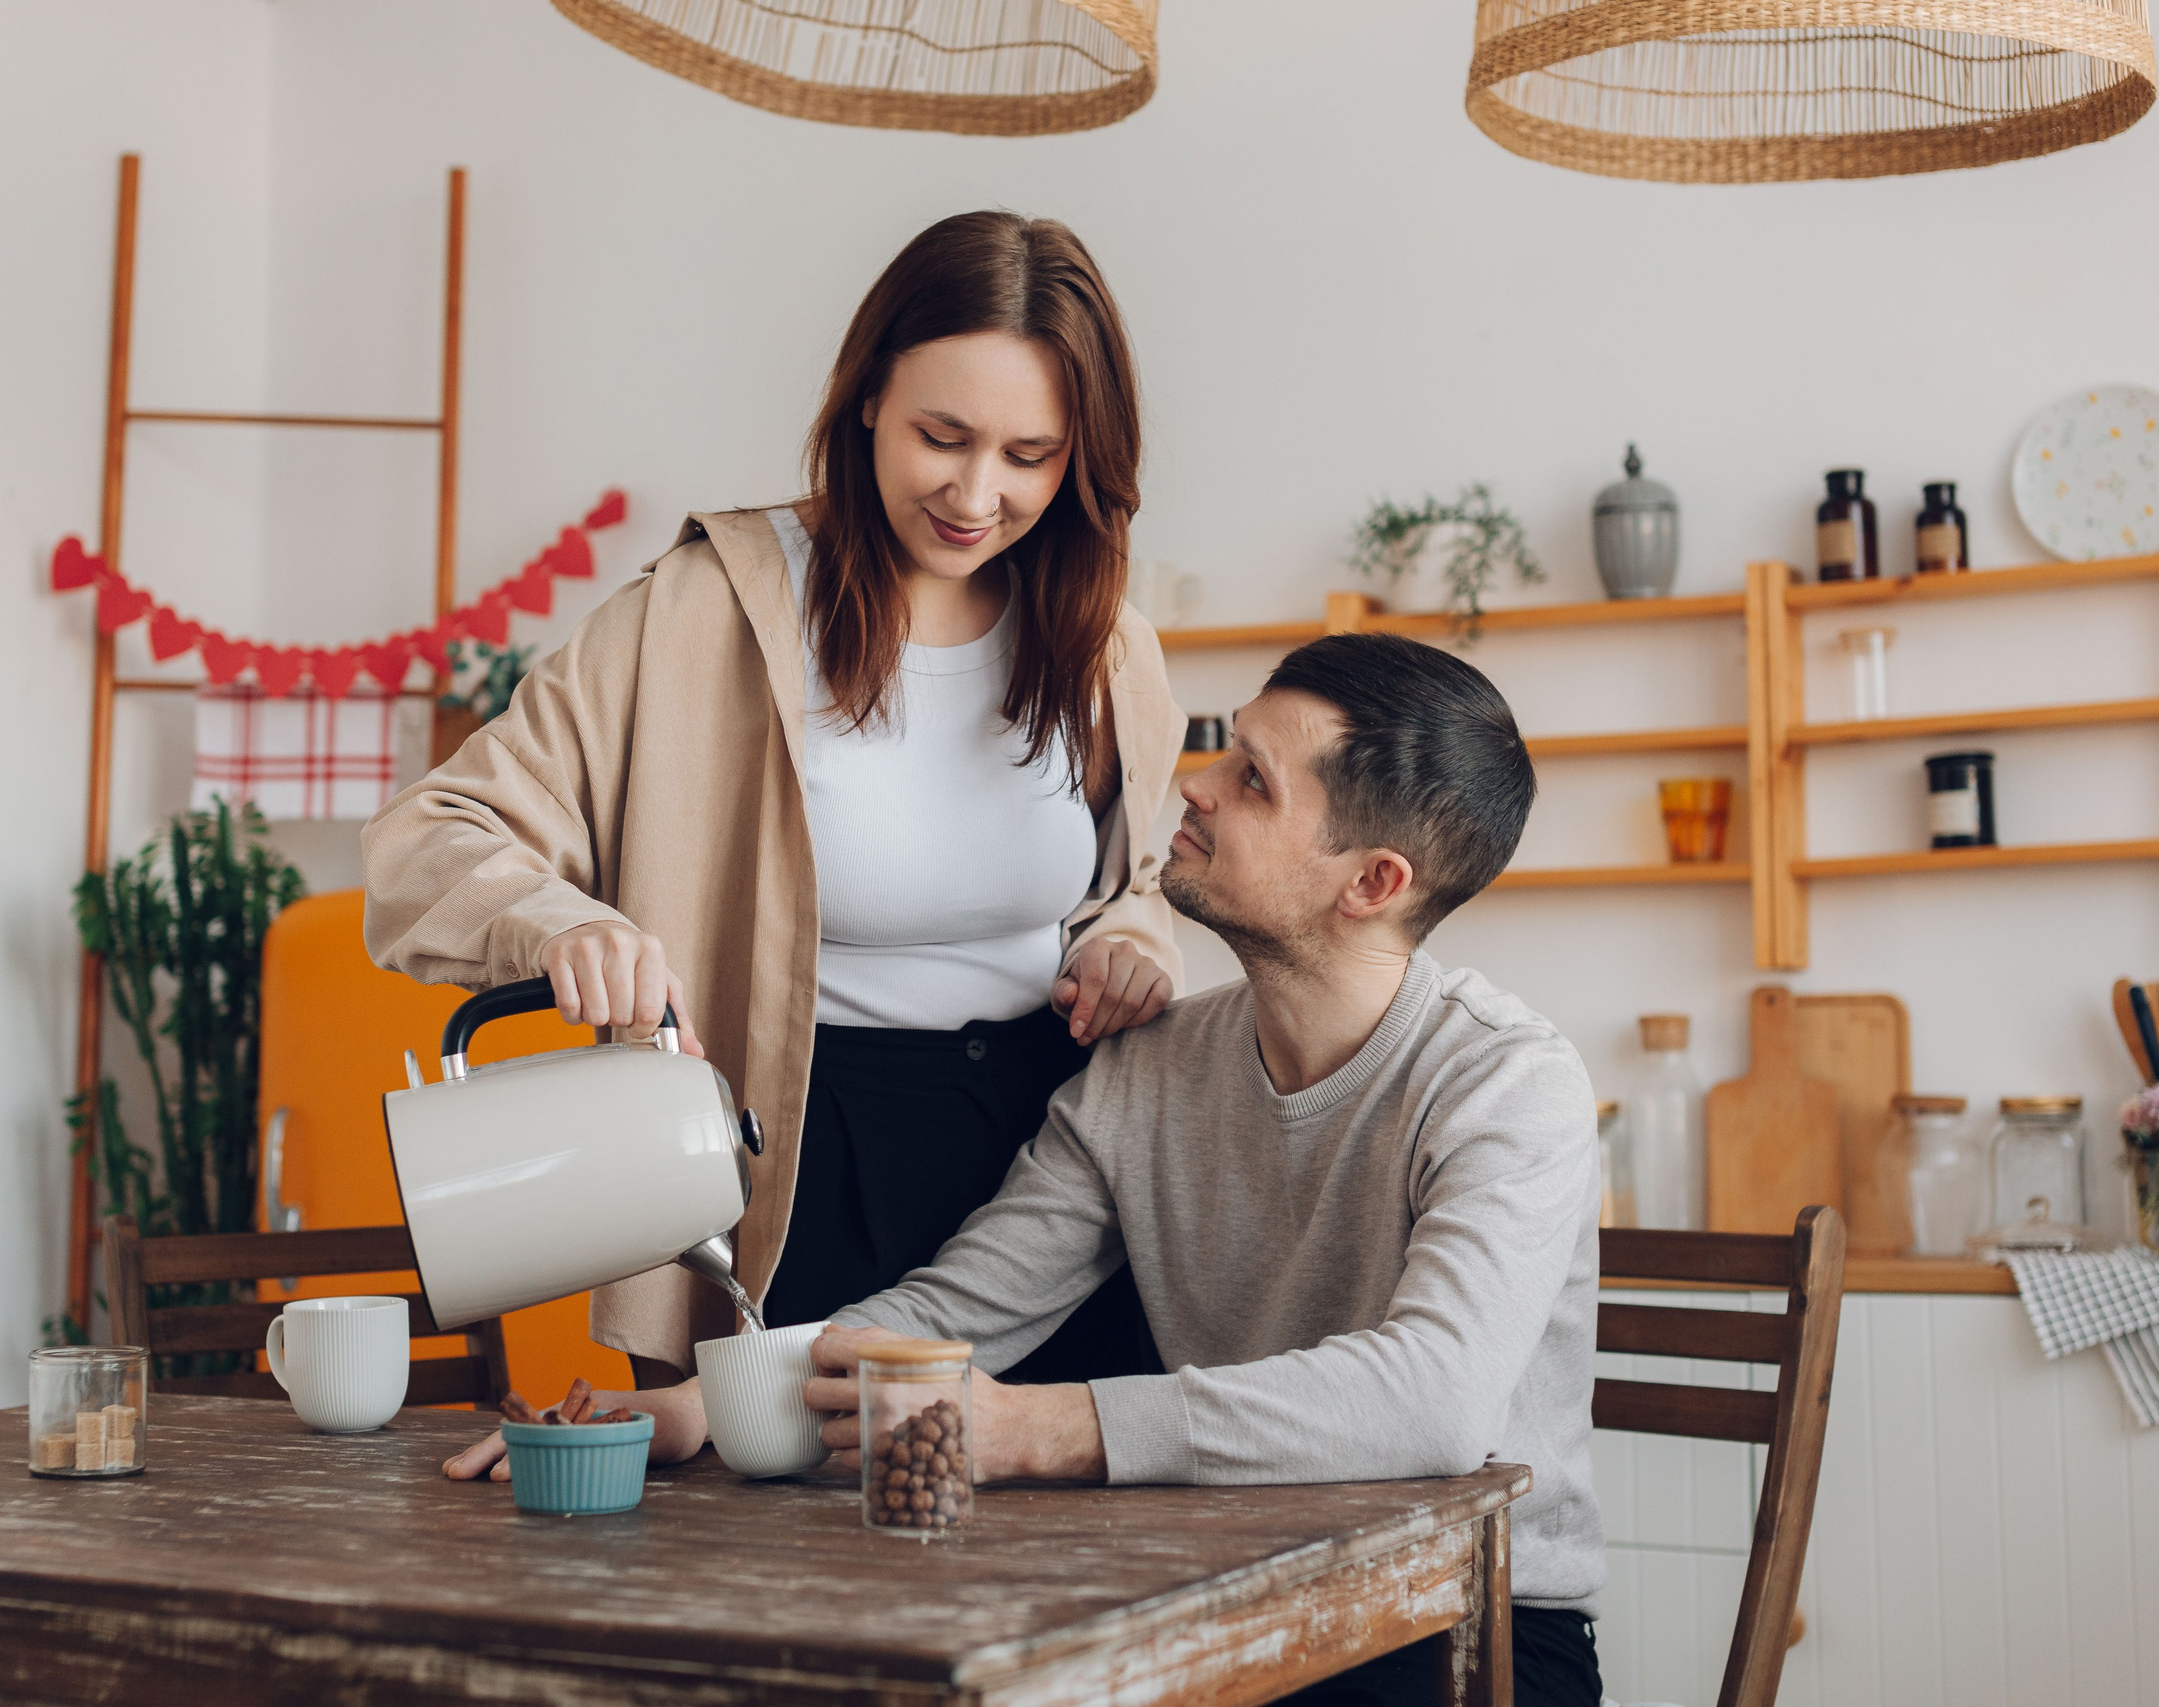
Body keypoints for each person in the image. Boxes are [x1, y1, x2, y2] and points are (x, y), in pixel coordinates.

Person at [364, 211, 1185, 1448]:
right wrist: (559, 921)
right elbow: (429, 837)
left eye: (1030, 455)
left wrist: (1137, 936)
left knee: (1062, 1566)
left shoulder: (1097, 632)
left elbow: (1152, 872)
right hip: (796, 1160)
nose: (977, 495)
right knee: (793, 1563)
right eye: (941, 437)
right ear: (865, 400)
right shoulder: (710, 606)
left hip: (1055, 1164)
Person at [804, 632, 1606, 1706]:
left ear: (1371, 881)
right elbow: (959, 1309)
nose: (1197, 783)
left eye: (1253, 781)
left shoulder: (1510, 1082)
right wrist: (723, 1411)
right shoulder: (1152, 1068)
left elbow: (1437, 1400)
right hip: (1226, 1600)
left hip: (1473, 1621)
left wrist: (1036, 1432)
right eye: (1228, 751)